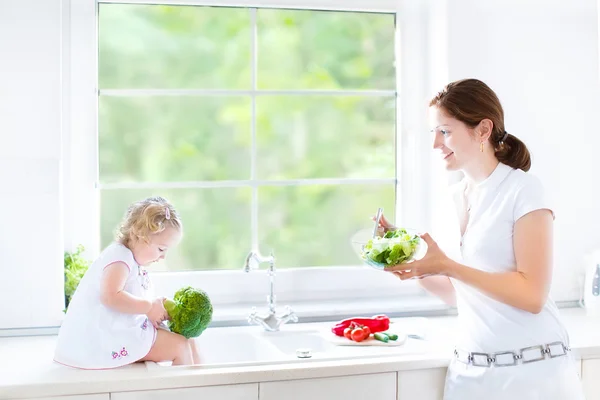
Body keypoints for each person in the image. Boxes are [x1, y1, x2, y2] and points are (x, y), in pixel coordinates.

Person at [378, 79, 584, 399]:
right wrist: (411, 263)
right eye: (433, 133)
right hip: (469, 376)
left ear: (483, 130)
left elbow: (532, 295)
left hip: (534, 375)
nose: (435, 144)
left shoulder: (524, 190)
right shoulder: (452, 198)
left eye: (444, 131)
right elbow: (457, 294)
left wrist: (446, 265)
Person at [54, 196, 200, 368]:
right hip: (100, 341)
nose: (163, 256)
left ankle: (205, 388)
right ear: (140, 235)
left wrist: (154, 309)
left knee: (189, 341)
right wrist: (148, 307)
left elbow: (131, 301)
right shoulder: (119, 257)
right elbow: (110, 296)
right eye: (161, 249)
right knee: (180, 346)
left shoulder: (131, 261)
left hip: (115, 332)